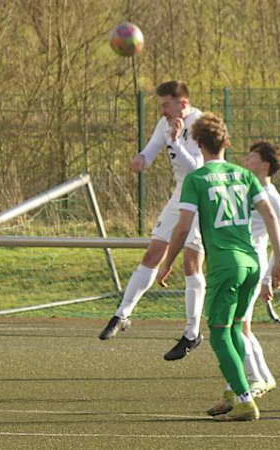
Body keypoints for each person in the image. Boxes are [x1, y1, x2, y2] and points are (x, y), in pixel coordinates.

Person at [157, 113, 280, 421]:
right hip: (251, 263)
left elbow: (181, 228)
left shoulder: (197, 179)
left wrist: (167, 263)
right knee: (235, 331)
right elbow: (270, 215)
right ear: (226, 142)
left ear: (198, 143)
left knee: (218, 334)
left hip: (225, 266)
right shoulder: (244, 176)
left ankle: (245, 401)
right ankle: (235, 390)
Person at [99, 81, 206, 362]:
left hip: (204, 192)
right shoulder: (165, 123)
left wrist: (175, 140)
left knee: (191, 263)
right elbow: (153, 148)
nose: (161, 110)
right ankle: (122, 314)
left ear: (182, 103)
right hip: (182, 192)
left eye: (166, 104)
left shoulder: (199, 123)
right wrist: (142, 159)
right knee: (153, 252)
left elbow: (197, 168)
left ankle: (192, 333)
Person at [241, 141, 280, 398]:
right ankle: (263, 377)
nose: (246, 161)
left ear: (265, 165)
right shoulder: (249, 190)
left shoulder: (273, 199)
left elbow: (278, 240)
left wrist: (267, 277)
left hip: (253, 263)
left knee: (238, 325)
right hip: (243, 260)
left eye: (251, 157)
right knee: (244, 326)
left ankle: (256, 378)